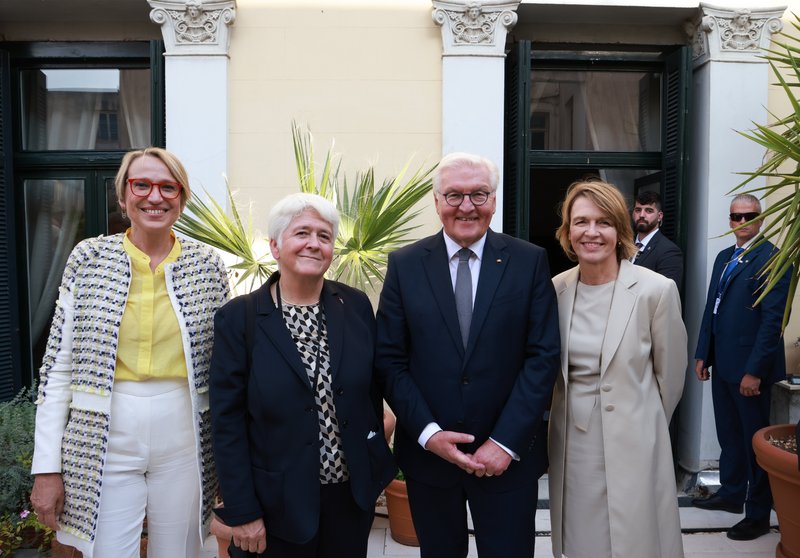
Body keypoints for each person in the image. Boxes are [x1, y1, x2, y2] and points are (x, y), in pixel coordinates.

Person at [29, 147, 231, 557]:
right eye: (141, 185)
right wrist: (46, 467)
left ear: (181, 197)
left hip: (184, 434)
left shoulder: (207, 265)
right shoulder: (88, 258)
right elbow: (58, 369)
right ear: (123, 196)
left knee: (179, 551)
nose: (154, 197)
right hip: (102, 432)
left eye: (167, 187)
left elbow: (226, 369)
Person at [375, 152, 560, 558]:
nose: (466, 207)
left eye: (479, 195)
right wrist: (429, 434)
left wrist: (504, 442)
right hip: (429, 459)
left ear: (494, 200)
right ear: (437, 200)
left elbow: (542, 356)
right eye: (454, 195)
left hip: (507, 459)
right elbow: (389, 359)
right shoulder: (405, 265)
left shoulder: (529, 261)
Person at [209, 193, 396, 557]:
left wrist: (374, 455)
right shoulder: (240, 318)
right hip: (275, 505)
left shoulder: (355, 305)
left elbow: (371, 394)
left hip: (350, 499)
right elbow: (227, 422)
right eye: (302, 233)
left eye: (324, 236)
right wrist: (243, 510)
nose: (314, 243)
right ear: (275, 246)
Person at [550, 179, 687, 558]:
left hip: (636, 441)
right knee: (582, 538)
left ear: (620, 230)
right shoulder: (555, 290)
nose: (591, 233)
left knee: (635, 540)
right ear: (567, 231)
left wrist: (644, 424)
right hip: (574, 443)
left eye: (603, 222)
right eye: (580, 222)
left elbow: (670, 378)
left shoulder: (655, 291)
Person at [692, 193, 791, 541]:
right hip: (723, 365)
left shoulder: (773, 260)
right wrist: (703, 353)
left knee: (753, 444)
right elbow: (711, 309)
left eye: (749, 216)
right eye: (735, 216)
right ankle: (732, 494)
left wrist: (755, 371)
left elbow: (771, 323)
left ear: (760, 219)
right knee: (729, 436)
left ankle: (758, 514)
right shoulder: (724, 257)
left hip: (750, 371)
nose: (742, 222)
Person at [630, 190, 684, 291]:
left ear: (659, 216)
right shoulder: (624, 245)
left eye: (649, 211)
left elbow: (668, 295)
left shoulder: (669, 252)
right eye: (638, 210)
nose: (642, 215)